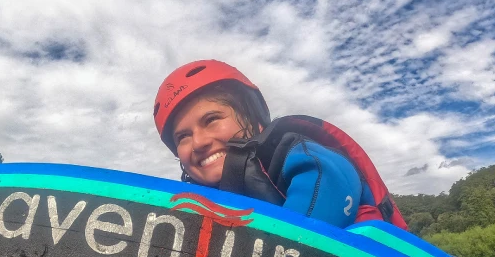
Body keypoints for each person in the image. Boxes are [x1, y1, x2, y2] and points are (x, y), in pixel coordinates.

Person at [153, 59, 408, 230]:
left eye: (212, 120)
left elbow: (333, 177)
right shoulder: (200, 204)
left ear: (254, 118)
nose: (198, 142)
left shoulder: (293, 154)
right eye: (183, 137)